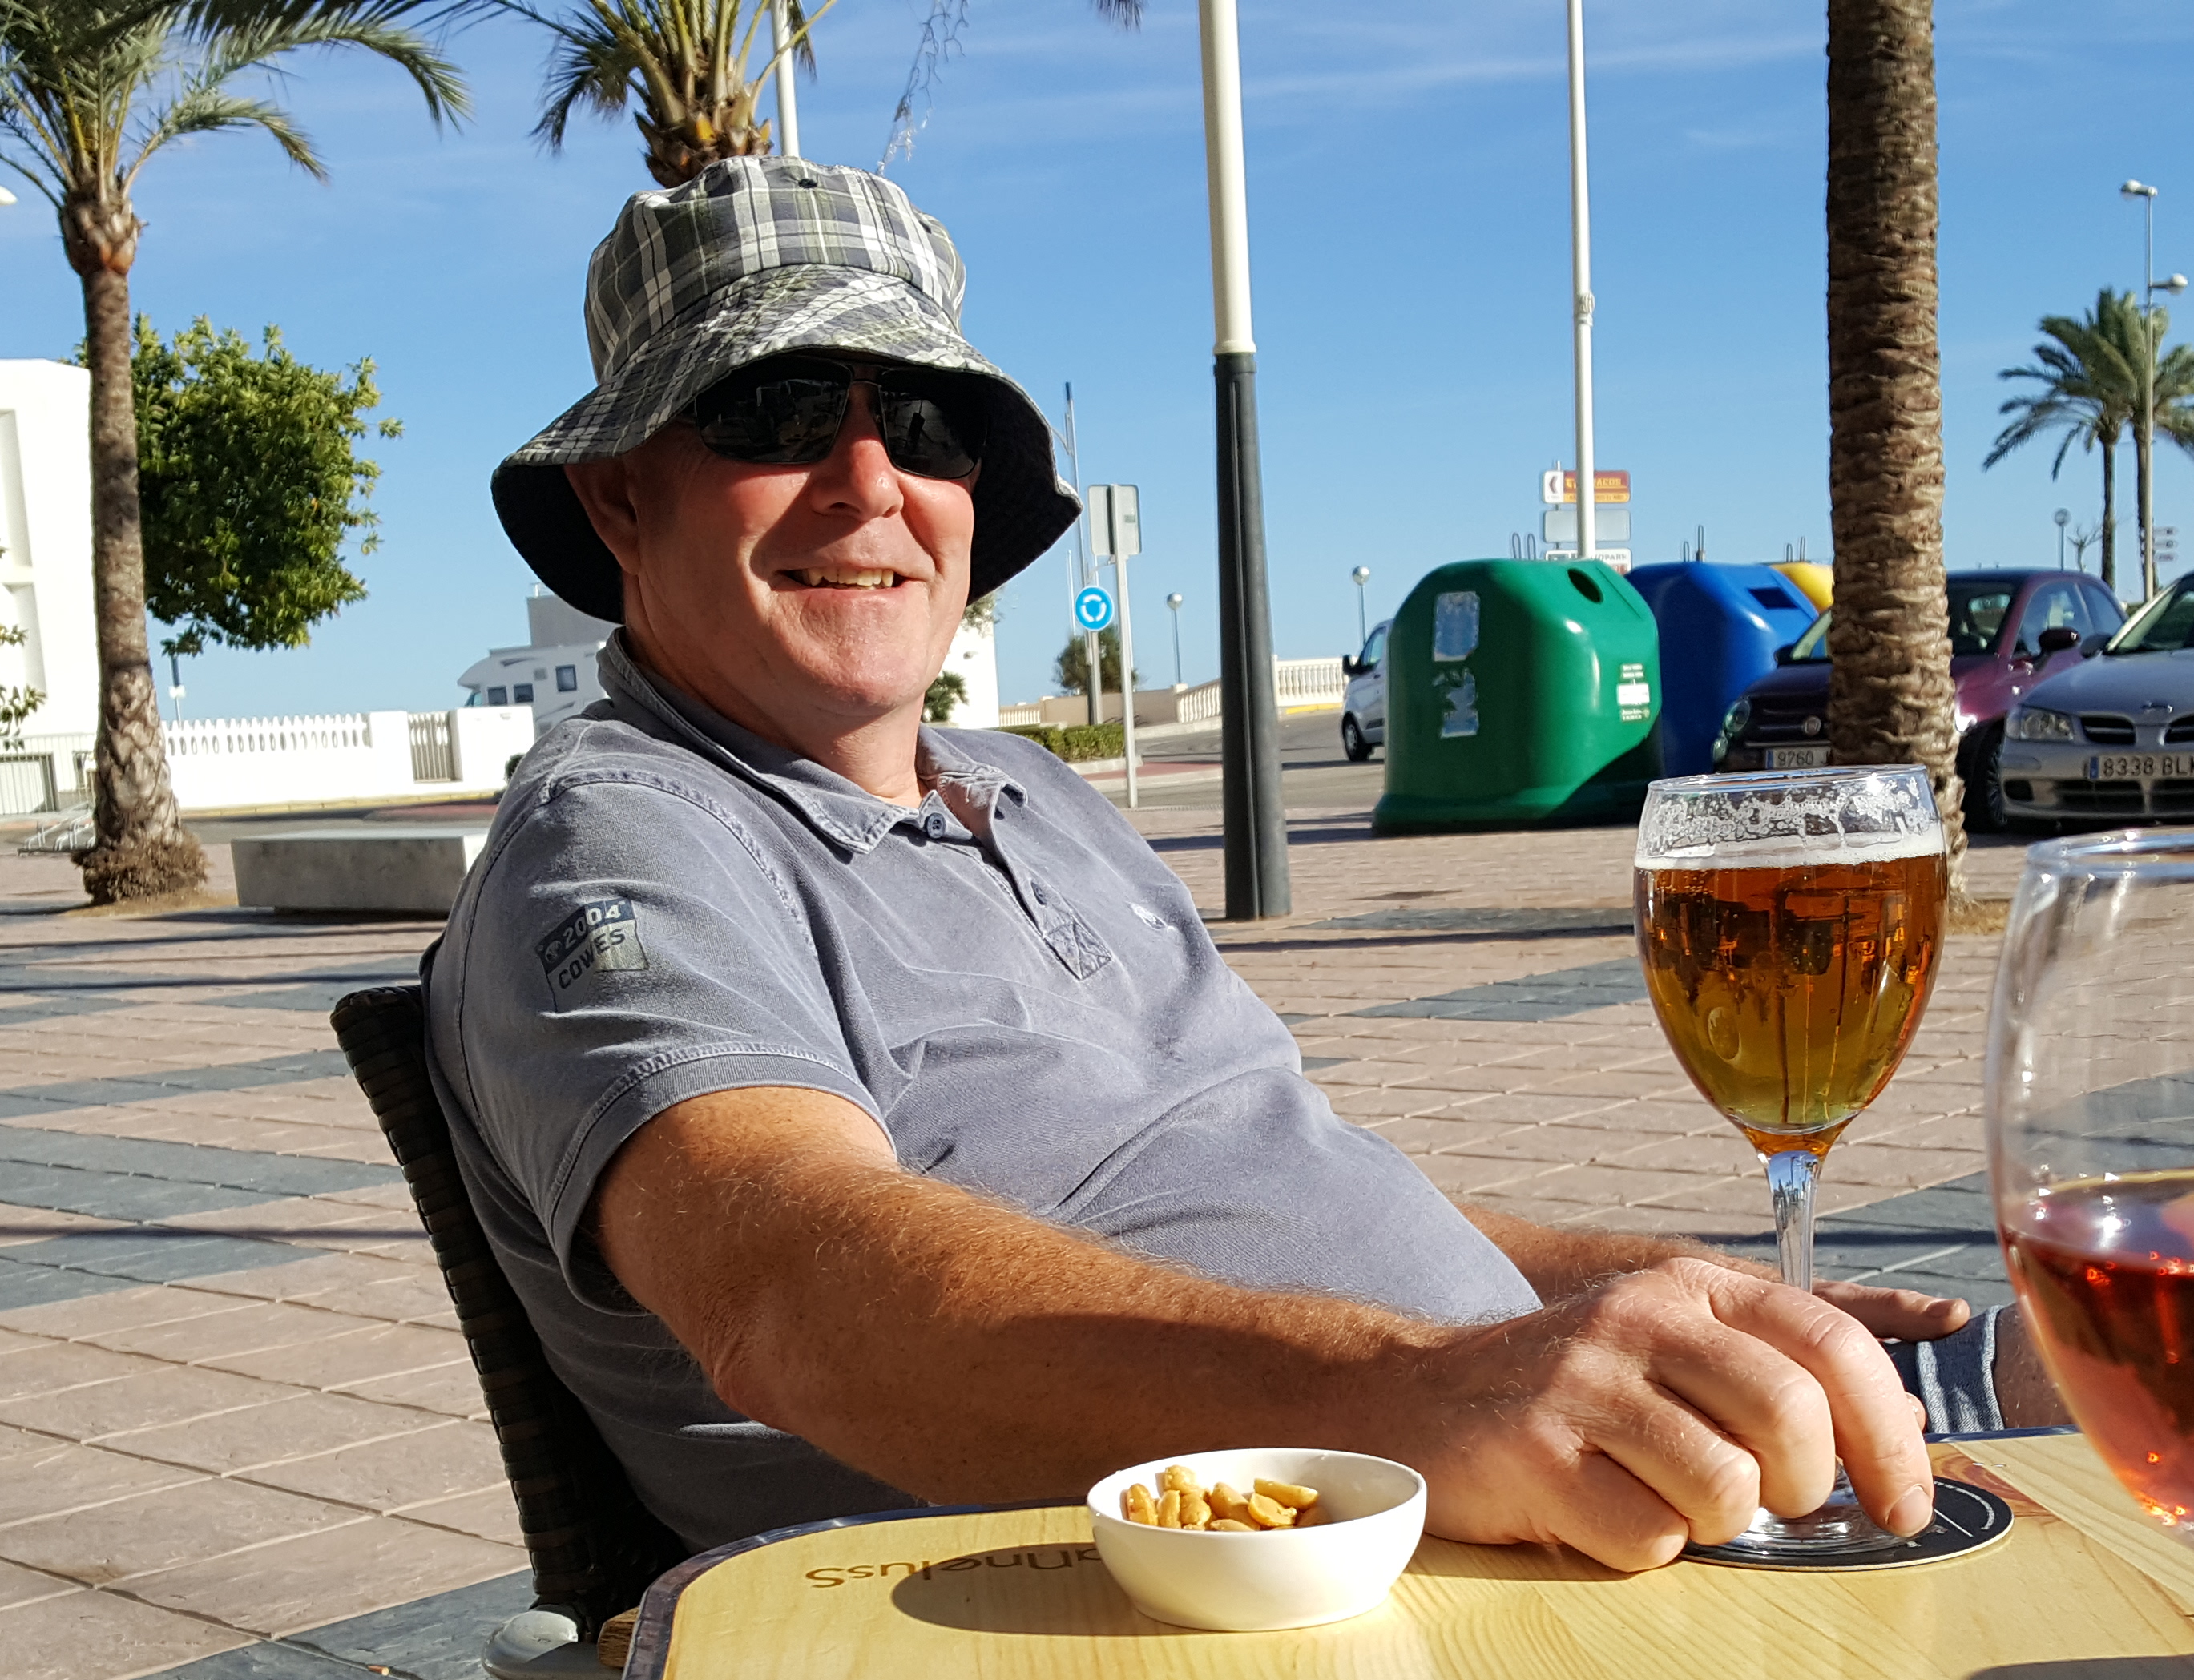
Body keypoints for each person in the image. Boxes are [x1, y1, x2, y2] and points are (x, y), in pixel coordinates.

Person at [430, 159, 2036, 1573]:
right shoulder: (628, 836)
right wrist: (1417, 1400)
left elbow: (1255, 1177)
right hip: (1215, 1595)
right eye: (776, 416)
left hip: (1510, 1470)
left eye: (923, 425)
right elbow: (791, 1289)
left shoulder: (1023, 789)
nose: (870, 483)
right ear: (619, 497)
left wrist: (1648, 1293)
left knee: (2129, 1376)